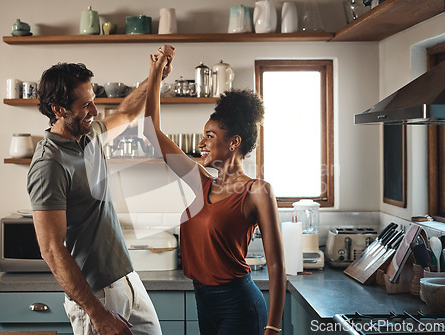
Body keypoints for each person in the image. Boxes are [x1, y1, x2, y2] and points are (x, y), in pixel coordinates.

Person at [27, 45, 175, 335]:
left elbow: (127, 111)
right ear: (59, 110)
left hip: (126, 277)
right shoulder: (49, 164)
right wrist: (98, 313)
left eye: (93, 101)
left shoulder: (88, 135)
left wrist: (155, 75)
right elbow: (52, 250)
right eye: (86, 106)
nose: (95, 111)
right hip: (96, 293)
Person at [144, 47, 286, 335]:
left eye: (209, 136)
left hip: (239, 304)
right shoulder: (201, 180)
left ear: (234, 142)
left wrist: (273, 326)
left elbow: (276, 263)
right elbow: (151, 135)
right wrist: (156, 74)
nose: (201, 143)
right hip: (204, 299)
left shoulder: (257, 191)